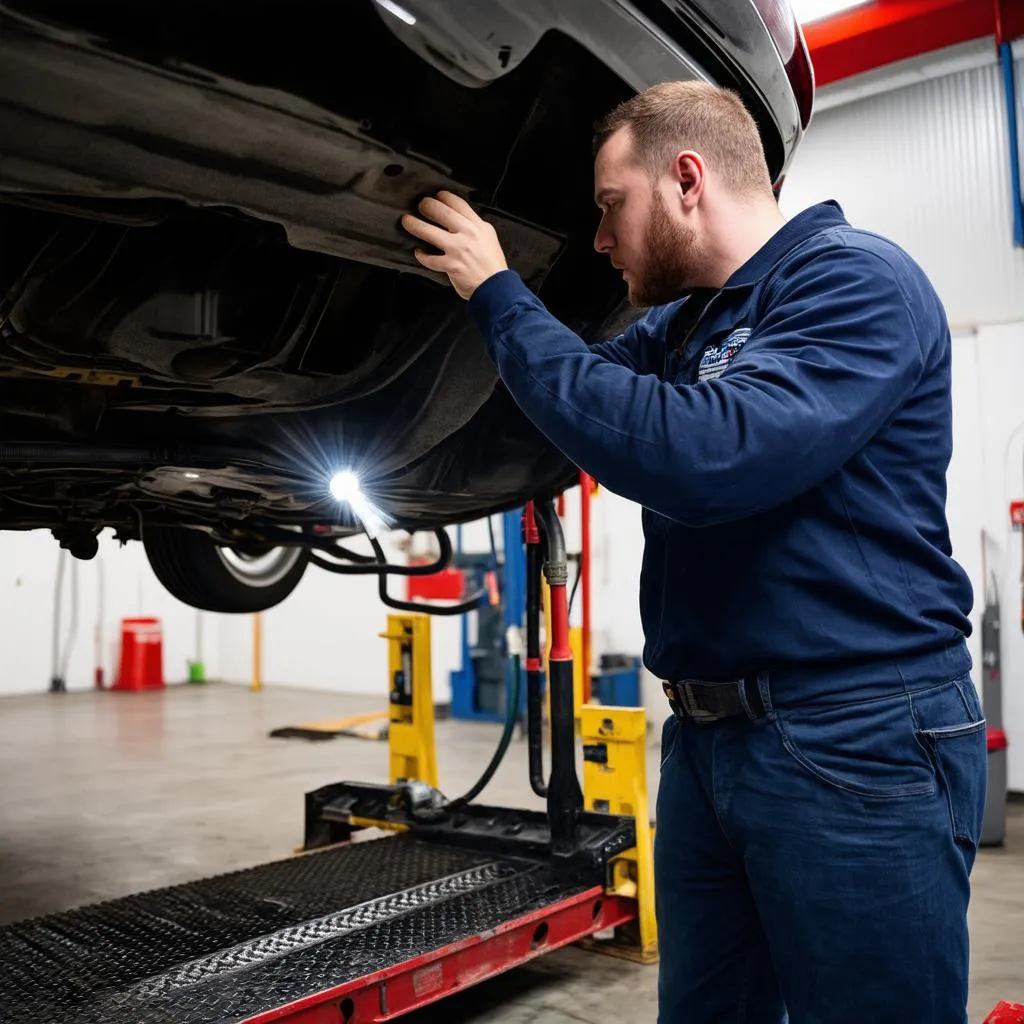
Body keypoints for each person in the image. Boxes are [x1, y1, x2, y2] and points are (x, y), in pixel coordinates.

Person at [401, 80, 986, 1024]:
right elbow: (571, 411)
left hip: (855, 734)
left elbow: (699, 456)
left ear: (685, 179)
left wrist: (500, 293)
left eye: (608, 206)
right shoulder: (689, 324)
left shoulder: (854, 282)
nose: (599, 238)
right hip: (712, 743)